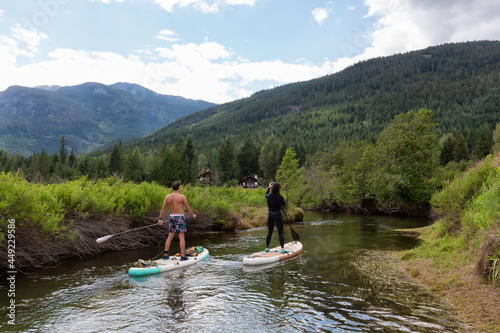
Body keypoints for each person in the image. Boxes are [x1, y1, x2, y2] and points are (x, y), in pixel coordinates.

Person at [158, 181, 196, 260]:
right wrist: (192, 215)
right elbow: (188, 207)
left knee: (170, 236)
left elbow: (163, 208)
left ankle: (165, 254)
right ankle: (183, 256)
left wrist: (160, 219)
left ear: (172, 188)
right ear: (179, 187)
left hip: (172, 217)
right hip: (180, 218)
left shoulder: (167, 197)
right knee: (181, 237)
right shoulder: (182, 197)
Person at [264, 181, 288, 253]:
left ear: (272, 188)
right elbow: (284, 204)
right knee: (280, 232)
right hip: (278, 214)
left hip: (270, 215)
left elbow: (265, 195)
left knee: (269, 232)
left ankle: (267, 248)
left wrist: (269, 188)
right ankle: (282, 249)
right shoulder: (280, 197)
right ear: (278, 189)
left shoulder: (269, 196)